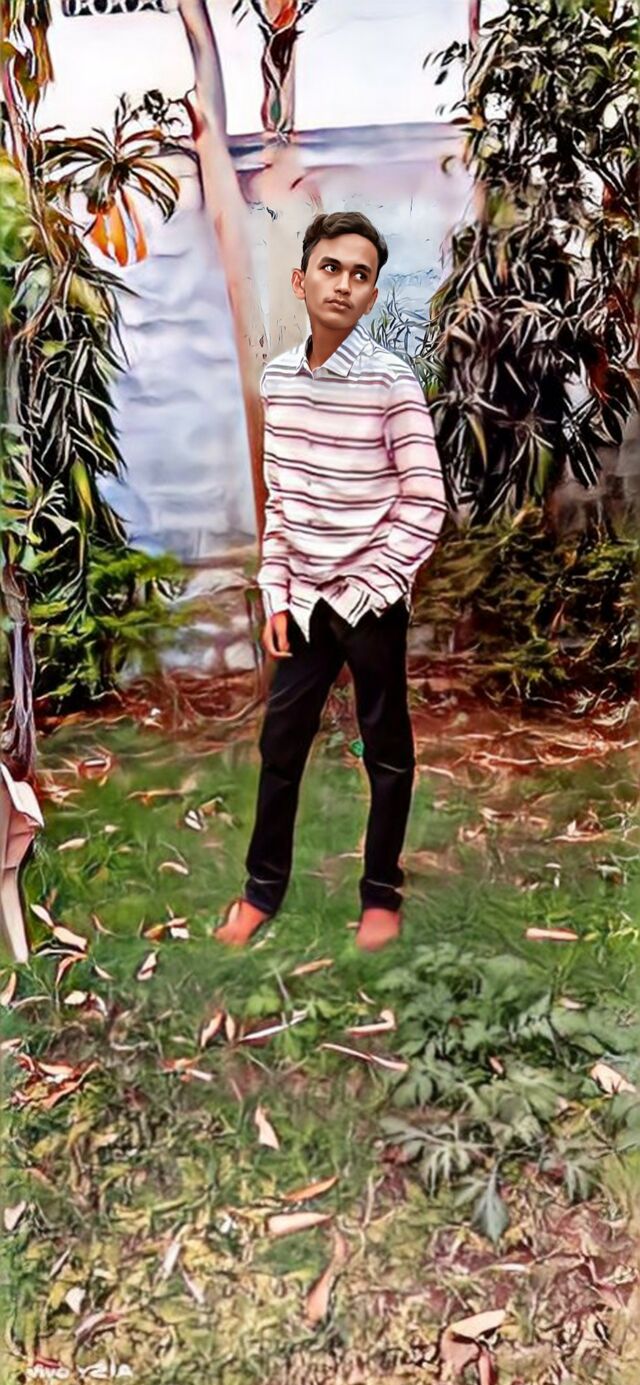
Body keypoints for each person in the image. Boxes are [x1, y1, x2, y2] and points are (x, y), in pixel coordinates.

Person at [215, 211, 447, 952]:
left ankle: (381, 894)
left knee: (387, 751)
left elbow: (425, 500)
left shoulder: (391, 382)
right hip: (307, 602)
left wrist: (373, 584)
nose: (343, 284)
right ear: (301, 279)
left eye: (360, 274)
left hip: (371, 603)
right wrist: (277, 596)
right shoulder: (279, 382)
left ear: (372, 294)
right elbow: (281, 502)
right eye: (330, 267)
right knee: (280, 748)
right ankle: (261, 891)